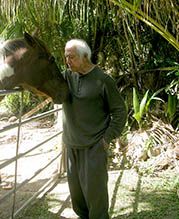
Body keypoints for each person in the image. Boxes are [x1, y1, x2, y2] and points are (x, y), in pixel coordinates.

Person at [62, 39, 127, 219]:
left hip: (94, 146)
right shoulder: (66, 76)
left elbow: (120, 111)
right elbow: (46, 84)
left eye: (72, 57)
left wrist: (107, 139)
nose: (68, 61)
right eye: (66, 57)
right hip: (72, 146)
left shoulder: (103, 80)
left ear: (85, 57)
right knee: (77, 198)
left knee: (96, 198)